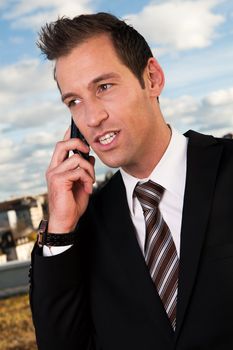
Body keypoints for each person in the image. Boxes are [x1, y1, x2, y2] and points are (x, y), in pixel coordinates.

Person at [29, 12, 233, 350]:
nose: (93, 117)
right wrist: (60, 227)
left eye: (104, 87)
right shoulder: (85, 227)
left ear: (152, 78)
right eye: (74, 101)